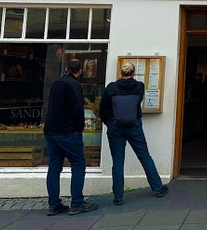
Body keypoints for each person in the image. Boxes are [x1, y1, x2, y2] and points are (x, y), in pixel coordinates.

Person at [99, 61, 169, 205]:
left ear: (120, 72)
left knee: (117, 161)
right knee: (144, 156)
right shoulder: (139, 86)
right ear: (133, 73)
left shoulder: (111, 87)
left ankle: (118, 197)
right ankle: (157, 188)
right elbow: (138, 103)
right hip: (134, 126)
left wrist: (109, 122)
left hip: (115, 127)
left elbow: (102, 109)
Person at [43, 59, 99, 216]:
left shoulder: (56, 83)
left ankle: (54, 204)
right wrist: (79, 129)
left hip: (51, 130)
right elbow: (77, 109)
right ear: (80, 71)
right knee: (78, 164)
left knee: (54, 167)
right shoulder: (74, 85)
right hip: (68, 131)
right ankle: (77, 203)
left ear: (66, 69)